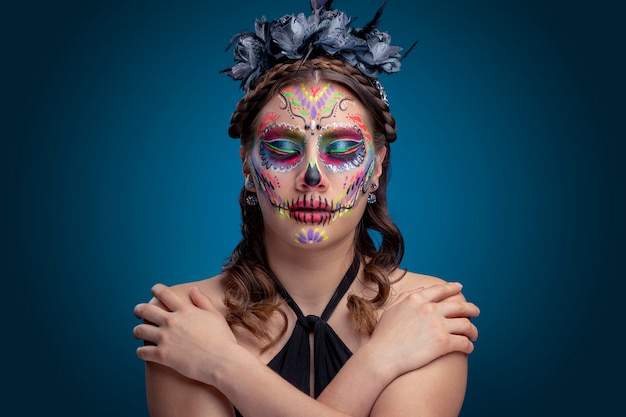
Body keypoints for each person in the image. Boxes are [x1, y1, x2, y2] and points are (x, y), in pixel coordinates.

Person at [132, 1, 480, 416]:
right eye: (282, 147)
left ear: (376, 167)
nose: (312, 175)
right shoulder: (185, 317)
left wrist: (221, 364)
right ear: (247, 164)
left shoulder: (425, 311)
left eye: (341, 148)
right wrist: (380, 361)